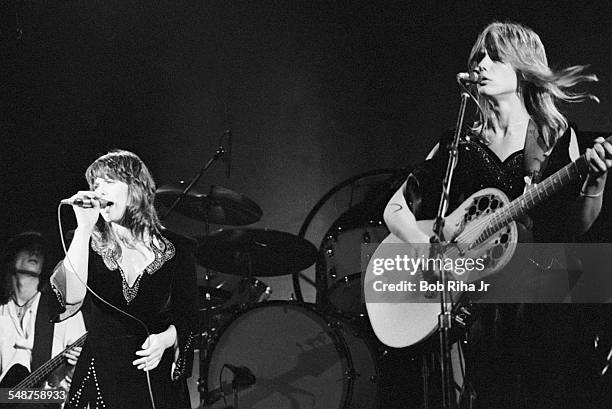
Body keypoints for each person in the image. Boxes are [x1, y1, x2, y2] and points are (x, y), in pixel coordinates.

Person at [383, 21, 612, 408]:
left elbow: (577, 226)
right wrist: (426, 246)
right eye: (479, 57)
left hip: (544, 297)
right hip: (481, 307)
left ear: (523, 66)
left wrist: (596, 181)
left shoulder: (555, 135)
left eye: (495, 56)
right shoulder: (460, 143)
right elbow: (395, 208)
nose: (482, 65)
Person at [50, 150, 198, 409]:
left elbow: (189, 316)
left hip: (156, 381)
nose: (99, 191)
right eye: (95, 185)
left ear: (136, 187)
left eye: (109, 182)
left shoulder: (178, 249)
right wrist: (84, 228)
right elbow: (69, 299)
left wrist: (165, 339)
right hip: (100, 379)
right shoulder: (88, 242)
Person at [0, 232, 86, 406]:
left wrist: (75, 368)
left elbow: (80, 385)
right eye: (27, 248)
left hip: (51, 401)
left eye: (40, 250)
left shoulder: (63, 312)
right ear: (10, 259)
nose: (35, 252)